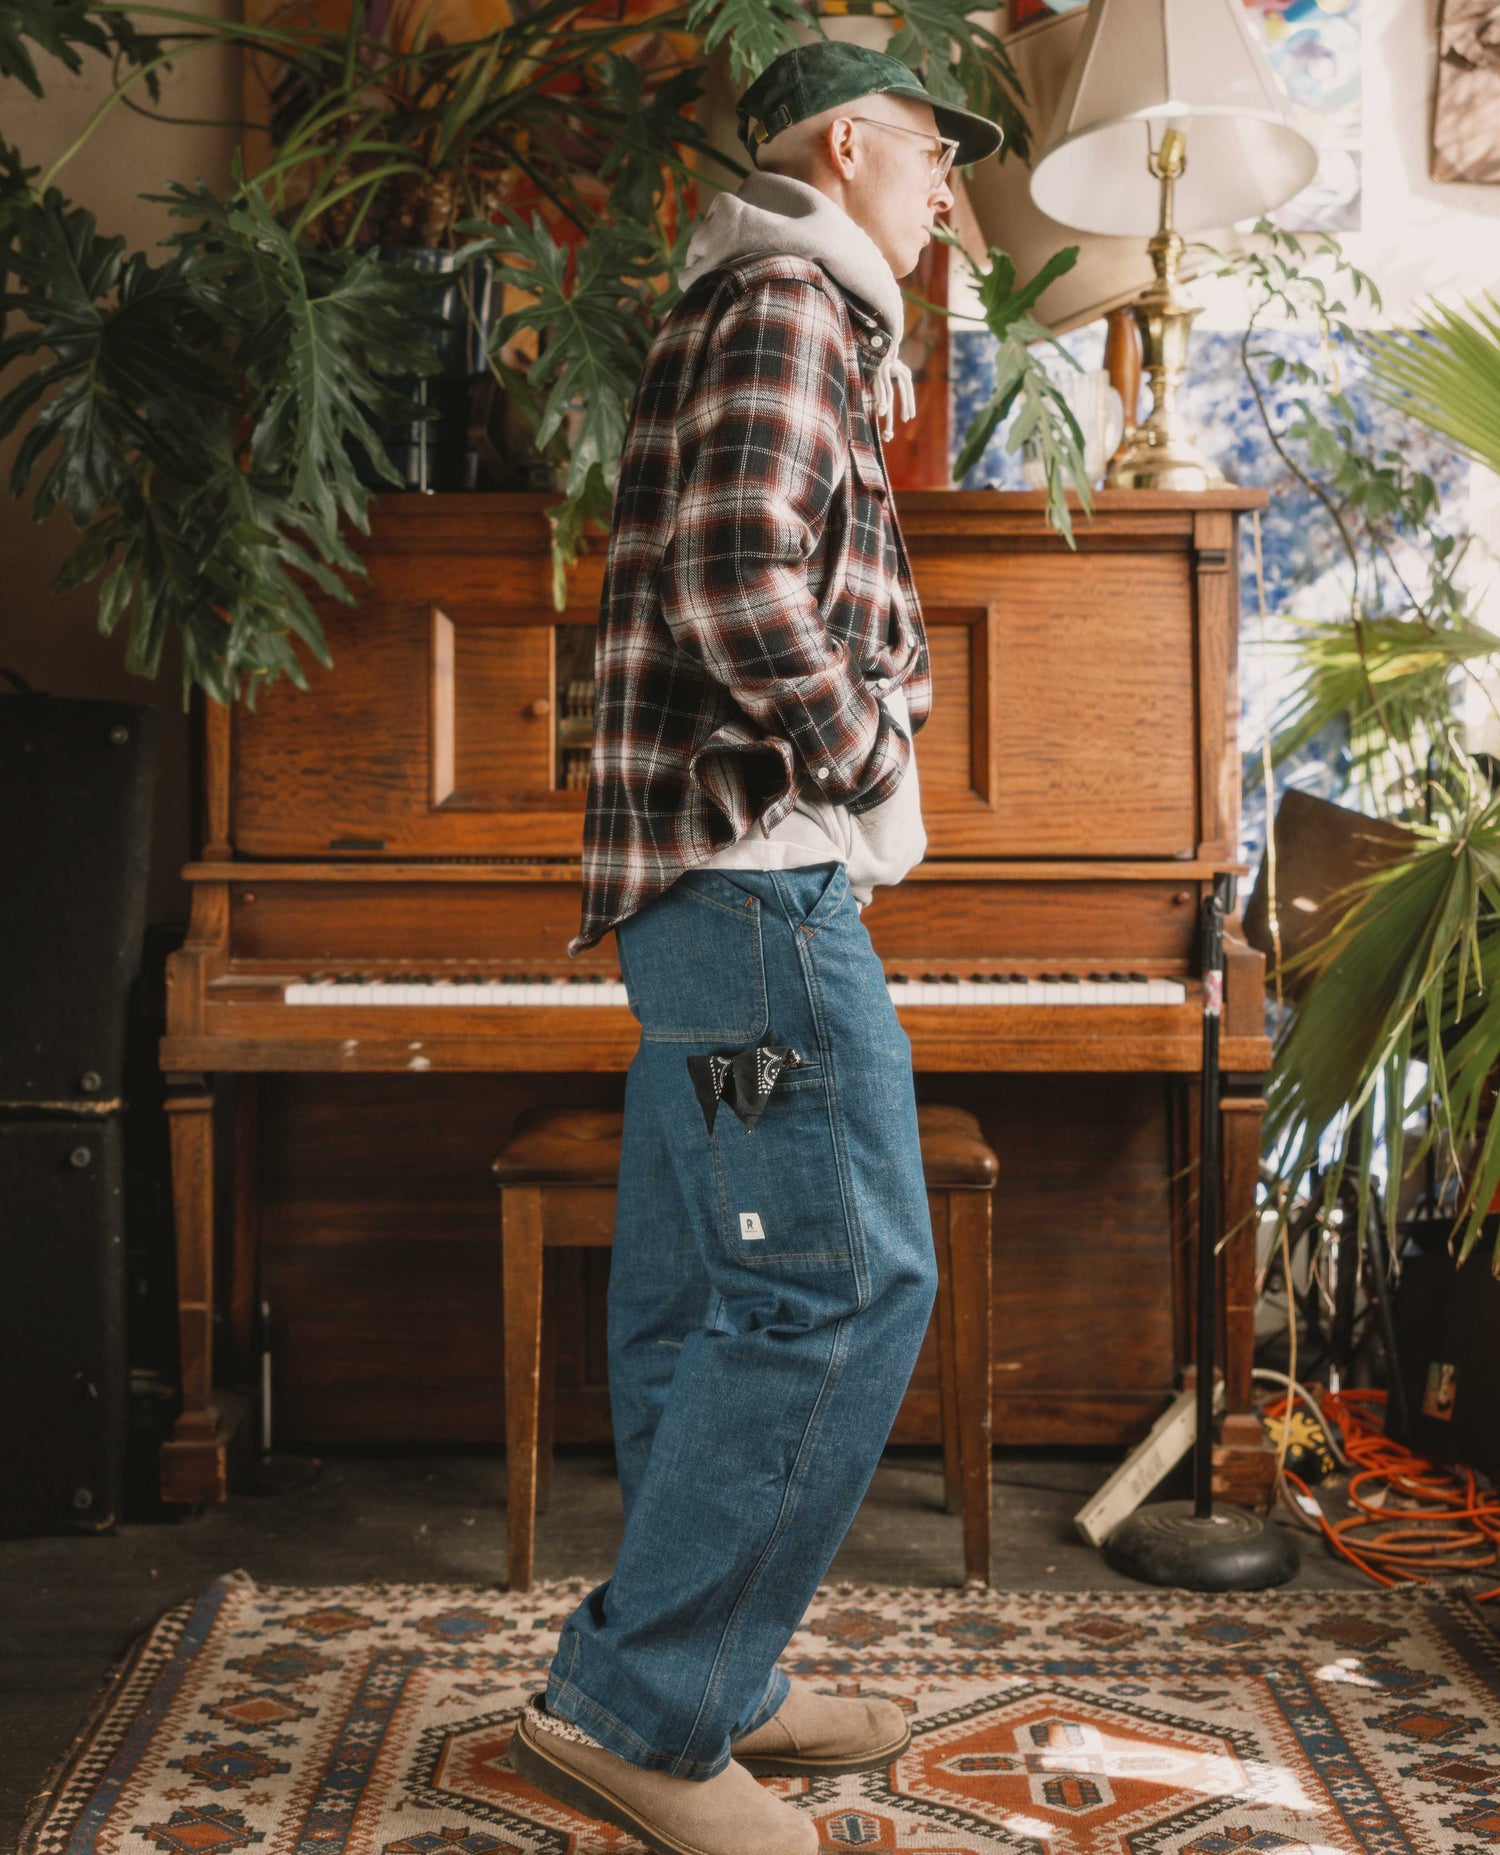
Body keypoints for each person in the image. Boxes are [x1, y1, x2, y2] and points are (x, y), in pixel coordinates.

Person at [506, 39, 1003, 1855]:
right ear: (854, 145)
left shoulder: (763, 295)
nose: (951, 192)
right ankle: (645, 1712)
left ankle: (718, 1662)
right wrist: (873, 762)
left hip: (708, 921)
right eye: (940, 155)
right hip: (764, 890)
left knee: (718, 1283)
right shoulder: (798, 292)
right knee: (851, 1279)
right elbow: (735, 572)